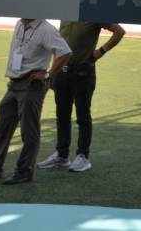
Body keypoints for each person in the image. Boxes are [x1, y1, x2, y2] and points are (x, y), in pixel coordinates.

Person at [0, 18, 71, 184]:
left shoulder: (46, 29)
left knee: (29, 131)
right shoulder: (20, 24)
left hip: (31, 85)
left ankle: (25, 171)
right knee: (3, 126)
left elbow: (65, 52)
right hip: (14, 83)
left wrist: (48, 74)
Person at [37, 21, 126, 173]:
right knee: (62, 115)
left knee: (83, 115)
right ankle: (62, 155)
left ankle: (83, 156)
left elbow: (119, 31)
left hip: (83, 71)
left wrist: (101, 51)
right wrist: (54, 72)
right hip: (62, 71)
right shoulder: (67, 14)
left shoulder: (93, 12)